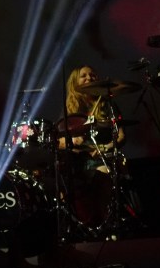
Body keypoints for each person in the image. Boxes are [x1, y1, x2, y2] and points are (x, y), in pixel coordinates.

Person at [55, 64, 129, 230]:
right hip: (78, 161)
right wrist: (72, 141)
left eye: (92, 75)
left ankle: (103, 223)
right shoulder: (69, 108)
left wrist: (104, 148)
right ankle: (79, 225)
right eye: (84, 76)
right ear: (75, 81)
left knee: (103, 176)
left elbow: (121, 136)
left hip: (102, 158)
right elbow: (59, 140)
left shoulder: (107, 104)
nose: (89, 78)